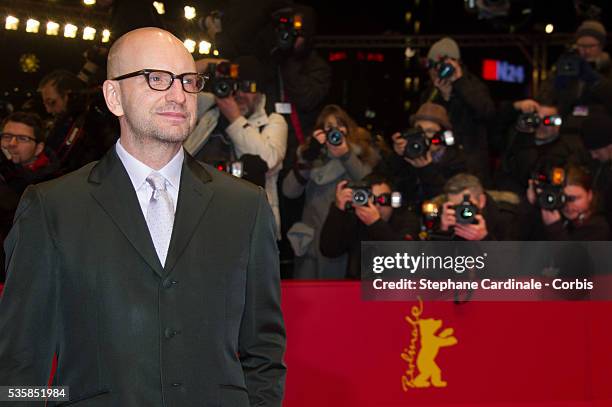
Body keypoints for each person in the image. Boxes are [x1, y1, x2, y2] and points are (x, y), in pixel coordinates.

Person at [0, 28, 286, 406]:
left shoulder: (245, 207)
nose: (178, 94)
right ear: (113, 96)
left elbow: (263, 351)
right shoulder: (52, 207)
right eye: (156, 78)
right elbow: (20, 362)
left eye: (188, 81)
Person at [184, 56, 288, 237]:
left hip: (247, 221)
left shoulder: (273, 121)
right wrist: (209, 64)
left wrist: (235, 119)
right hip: (196, 210)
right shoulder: (211, 106)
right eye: (235, 86)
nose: (240, 94)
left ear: (260, 93)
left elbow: (268, 161)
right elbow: (183, 85)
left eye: (248, 88)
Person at [283, 104, 378, 279]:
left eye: (340, 125)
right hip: (309, 240)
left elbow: (367, 182)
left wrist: (346, 154)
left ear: (348, 128)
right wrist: (308, 156)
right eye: (328, 127)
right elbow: (289, 191)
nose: (335, 132)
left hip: (340, 241)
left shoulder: (361, 154)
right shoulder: (311, 155)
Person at [421, 37, 495, 184]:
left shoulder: (473, 87)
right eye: (432, 65)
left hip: (470, 168)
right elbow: (423, 121)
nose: (436, 70)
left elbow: (487, 112)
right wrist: (444, 96)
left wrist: (459, 83)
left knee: (467, 207)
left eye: (441, 65)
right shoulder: (430, 92)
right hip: (439, 167)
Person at [320, 174, 420, 279]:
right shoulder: (356, 218)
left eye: (383, 200)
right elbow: (329, 250)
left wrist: (375, 224)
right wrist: (338, 210)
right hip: (357, 288)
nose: (376, 206)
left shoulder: (407, 220)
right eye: (370, 200)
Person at [381, 102, 467, 204]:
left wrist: (426, 169)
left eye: (429, 131)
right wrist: (397, 156)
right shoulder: (409, 154)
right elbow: (383, 182)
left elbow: (447, 199)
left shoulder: (457, 160)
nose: (423, 136)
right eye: (419, 130)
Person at [526, 164, 610, 240]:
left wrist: (555, 228)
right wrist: (536, 203)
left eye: (573, 199)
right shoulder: (557, 216)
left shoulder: (599, 229)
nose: (567, 205)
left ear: (589, 195)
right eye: (561, 198)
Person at [438, 173, 520, 241]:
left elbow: (510, 259)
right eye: (456, 207)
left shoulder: (506, 219)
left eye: (465, 206)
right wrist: (444, 232)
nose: (462, 212)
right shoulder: (447, 218)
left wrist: (484, 239)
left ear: (481, 201)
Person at [0, 111, 59, 195]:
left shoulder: (49, 183)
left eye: (22, 138)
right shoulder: (5, 165)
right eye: (7, 136)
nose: (12, 144)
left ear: (38, 148)